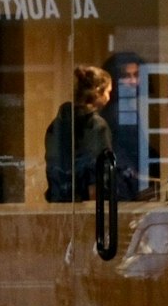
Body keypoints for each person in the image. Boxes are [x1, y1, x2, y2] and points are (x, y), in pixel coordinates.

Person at [43, 66, 115, 203]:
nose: (109, 97)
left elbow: (53, 166)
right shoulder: (96, 126)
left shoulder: (58, 124)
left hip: (59, 199)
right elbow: (96, 172)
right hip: (87, 202)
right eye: (108, 92)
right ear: (98, 92)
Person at [101, 50, 153, 200]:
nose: (133, 81)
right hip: (121, 186)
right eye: (126, 76)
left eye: (136, 75)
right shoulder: (118, 111)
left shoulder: (127, 109)